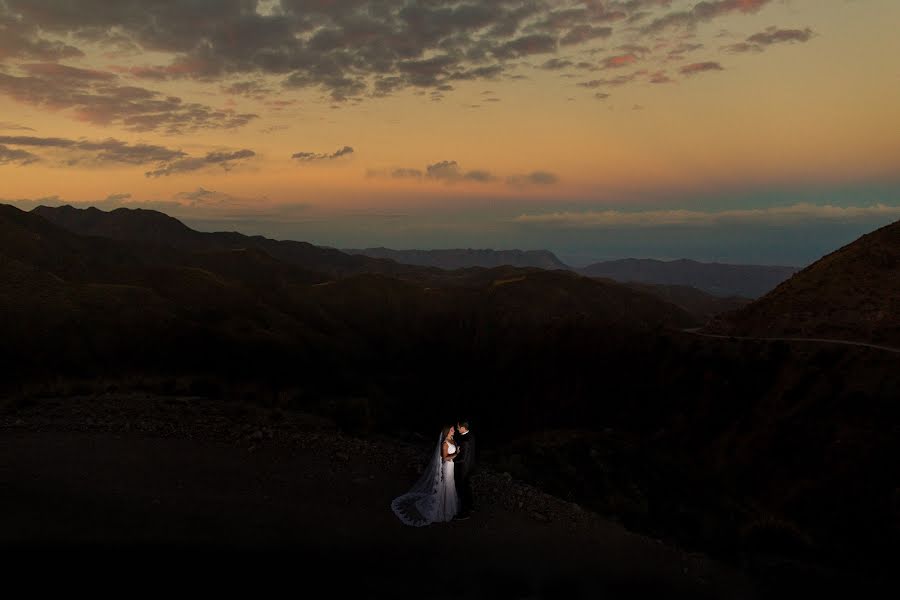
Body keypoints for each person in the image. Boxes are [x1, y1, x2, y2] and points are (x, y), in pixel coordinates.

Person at [391, 425, 459, 526]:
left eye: (453, 429)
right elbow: (444, 458)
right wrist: (456, 453)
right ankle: (442, 510)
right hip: (447, 467)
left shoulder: (452, 439)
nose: (454, 430)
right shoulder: (445, 443)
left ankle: (447, 507)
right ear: (447, 431)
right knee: (446, 485)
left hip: (451, 466)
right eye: (452, 429)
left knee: (450, 485)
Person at [453, 420, 475, 520]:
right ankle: (471, 506)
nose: (457, 429)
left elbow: (463, 458)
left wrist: (452, 461)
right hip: (469, 467)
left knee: (462, 489)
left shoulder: (466, 440)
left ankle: (464, 512)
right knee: (467, 487)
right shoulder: (471, 436)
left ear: (463, 427)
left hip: (464, 469)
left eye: (458, 427)